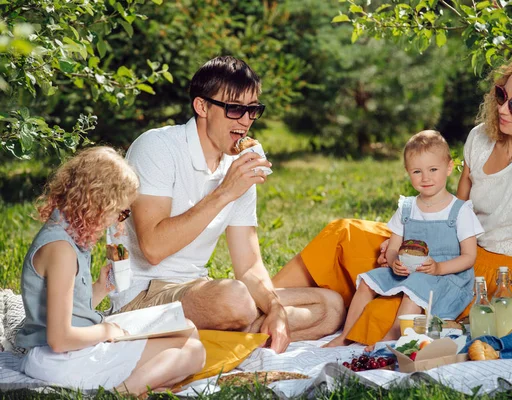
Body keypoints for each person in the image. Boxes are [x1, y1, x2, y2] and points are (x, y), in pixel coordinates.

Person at [273, 53, 512, 345]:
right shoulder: (480, 138)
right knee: (344, 234)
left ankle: (317, 314)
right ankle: (261, 300)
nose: (502, 108)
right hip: (449, 248)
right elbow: (451, 213)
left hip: (504, 278)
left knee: (386, 318)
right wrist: (401, 245)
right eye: (501, 95)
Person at [109, 56, 345, 353]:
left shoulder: (239, 164)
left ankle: (227, 334)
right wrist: (225, 192)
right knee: (234, 298)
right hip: (142, 296)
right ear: (202, 106)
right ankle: (229, 331)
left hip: (197, 291)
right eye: (235, 109)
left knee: (331, 306)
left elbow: (248, 265)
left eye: (252, 110)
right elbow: (153, 249)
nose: (245, 120)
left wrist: (275, 309)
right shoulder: (157, 147)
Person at [16, 147, 206, 396]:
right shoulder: (61, 250)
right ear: (98, 202)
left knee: (188, 328)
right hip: (60, 360)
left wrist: (99, 289)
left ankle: (142, 382)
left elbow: (72, 311)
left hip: (65, 352)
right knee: (193, 352)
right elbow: (59, 339)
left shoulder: (65, 235)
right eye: (121, 212)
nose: (119, 221)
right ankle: (123, 391)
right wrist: (106, 332)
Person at [325, 131, 483, 347]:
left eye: (433, 170)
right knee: (368, 281)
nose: (425, 178)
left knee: (414, 288)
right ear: (408, 172)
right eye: (417, 171)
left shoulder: (460, 210)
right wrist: (393, 262)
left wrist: (438, 268)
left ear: (448, 168)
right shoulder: (407, 208)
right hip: (410, 272)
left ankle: (393, 337)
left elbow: (469, 257)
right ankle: (345, 336)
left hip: (448, 277)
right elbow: (393, 247)